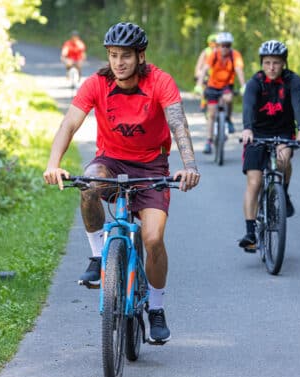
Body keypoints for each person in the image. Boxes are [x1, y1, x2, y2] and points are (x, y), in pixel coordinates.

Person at [43, 22, 200, 344]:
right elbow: (70, 123)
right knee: (89, 187)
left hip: (151, 166)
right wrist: (53, 164)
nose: (119, 63)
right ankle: (99, 257)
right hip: (110, 161)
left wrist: (189, 166)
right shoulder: (97, 83)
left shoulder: (160, 81)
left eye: (126, 56)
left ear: (141, 56)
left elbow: (178, 124)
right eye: (113, 55)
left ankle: (156, 308)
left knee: (153, 239)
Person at [238, 40, 300, 250]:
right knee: (254, 181)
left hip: (282, 131)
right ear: (262, 63)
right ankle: (250, 232)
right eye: (267, 62)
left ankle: (283, 192)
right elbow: (248, 105)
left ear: (284, 64)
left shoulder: (292, 81)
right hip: (257, 133)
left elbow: (298, 105)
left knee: (283, 159)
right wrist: (247, 128)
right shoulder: (256, 82)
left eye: (276, 63)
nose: (271, 67)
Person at [196, 31, 246, 154]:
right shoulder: (213, 55)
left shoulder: (235, 55)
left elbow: (239, 70)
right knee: (211, 114)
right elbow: (204, 69)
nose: (225, 48)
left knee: (228, 99)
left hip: (227, 85)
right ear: (218, 46)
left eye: (227, 45)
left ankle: (228, 119)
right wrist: (198, 85)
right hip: (212, 85)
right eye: (222, 45)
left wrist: (243, 85)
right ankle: (209, 141)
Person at [193, 33, 217, 113]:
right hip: (207, 74)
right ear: (209, 43)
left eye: (215, 42)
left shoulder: (220, 51)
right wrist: (197, 73)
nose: (214, 44)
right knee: (205, 87)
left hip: (217, 75)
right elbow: (199, 64)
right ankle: (203, 102)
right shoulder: (206, 51)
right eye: (212, 42)